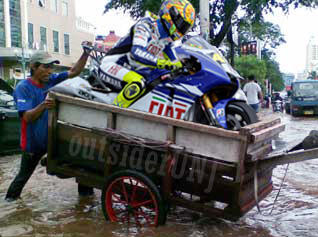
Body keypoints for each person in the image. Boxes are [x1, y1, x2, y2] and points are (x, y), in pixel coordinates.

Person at [5, 49, 90, 202]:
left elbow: (74, 71)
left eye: (51, 67)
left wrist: (85, 53)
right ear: (33, 67)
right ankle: (10, 203)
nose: (50, 71)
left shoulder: (51, 80)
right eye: (46, 67)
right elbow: (27, 117)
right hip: (33, 142)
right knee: (22, 178)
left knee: (79, 165)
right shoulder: (23, 88)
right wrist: (43, 105)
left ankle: (85, 200)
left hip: (51, 137)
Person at [98, 0, 195, 108]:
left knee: (158, 81)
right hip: (111, 65)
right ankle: (114, 114)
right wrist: (163, 63)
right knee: (138, 83)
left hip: (130, 69)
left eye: (185, 27)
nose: (182, 29)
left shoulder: (166, 39)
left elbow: (174, 60)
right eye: (182, 24)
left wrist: (185, 66)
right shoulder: (146, 25)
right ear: (171, 15)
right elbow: (137, 52)